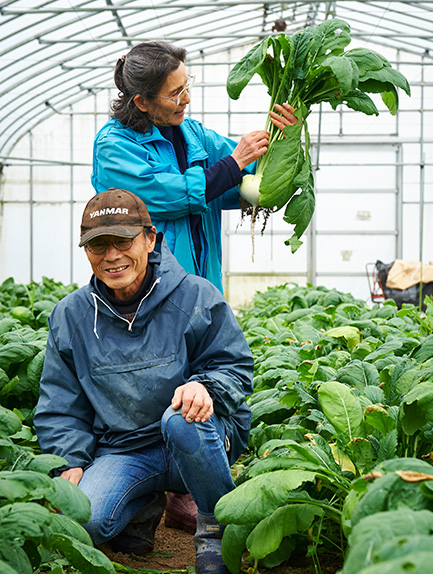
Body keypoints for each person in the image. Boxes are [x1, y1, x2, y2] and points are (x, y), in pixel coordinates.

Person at [34, 188, 254, 574]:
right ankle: (143, 507)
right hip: (126, 449)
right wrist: (69, 461)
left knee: (180, 419)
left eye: (123, 241)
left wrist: (205, 386)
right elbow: (59, 405)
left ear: (150, 238)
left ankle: (215, 528)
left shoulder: (197, 295)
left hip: (198, 438)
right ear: (85, 251)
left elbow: (234, 367)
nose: (112, 255)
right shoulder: (71, 316)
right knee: (86, 519)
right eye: (98, 245)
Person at [91, 40, 297, 295]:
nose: (186, 99)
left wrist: (286, 141)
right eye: (176, 93)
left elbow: (252, 173)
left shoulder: (194, 135)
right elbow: (169, 195)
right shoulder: (113, 147)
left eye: (187, 85)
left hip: (205, 283)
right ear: (142, 102)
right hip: (150, 291)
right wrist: (233, 164)